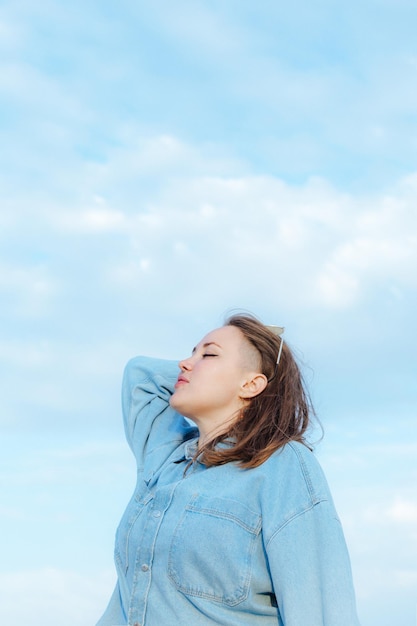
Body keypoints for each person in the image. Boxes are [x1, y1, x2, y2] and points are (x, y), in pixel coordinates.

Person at [96, 314, 360, 626]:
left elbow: (321, 608)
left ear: (251, 383)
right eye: (191, 352)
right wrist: (209, 367)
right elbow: (140, 375)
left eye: (208, 354)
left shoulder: (282, 464)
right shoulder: (165, 459)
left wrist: (268, 364)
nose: (185, 362)